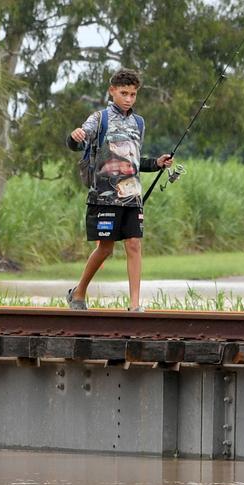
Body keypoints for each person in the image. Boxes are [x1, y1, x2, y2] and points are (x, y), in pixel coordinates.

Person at [65, 68, 172, 311]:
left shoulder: (139, 122)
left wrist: (156, 163)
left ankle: (135, 306)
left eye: (133, 94)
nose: (128, 99)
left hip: (132, 197)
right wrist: (75, 136)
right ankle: (78, 292)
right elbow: (75, 143)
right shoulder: (98, 118)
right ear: (112, 91)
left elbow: (134, 161)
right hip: (104, 198)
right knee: (105, 249)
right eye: (124, 93)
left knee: (134, 244)